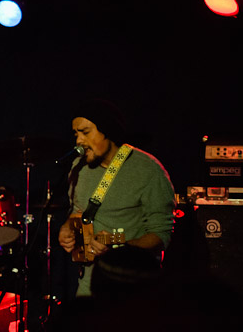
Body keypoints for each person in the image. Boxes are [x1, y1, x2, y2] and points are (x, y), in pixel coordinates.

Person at [57, 99, 175, 298]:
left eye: (85, 132)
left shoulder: (148, 170)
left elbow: (161, 234)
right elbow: (78, 211)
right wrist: (68, 228)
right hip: (89, 286)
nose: (78, 141)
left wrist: (123, 249)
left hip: (133, 286)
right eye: (76, 134)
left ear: (108, 130)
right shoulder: (79, 167)